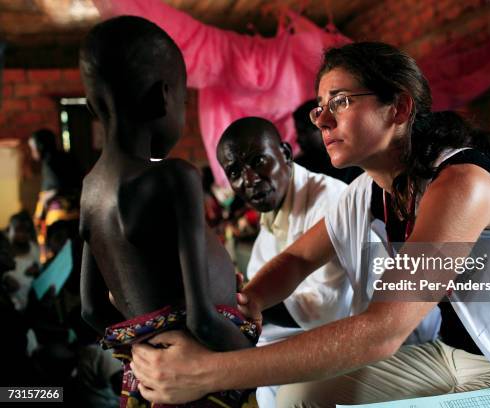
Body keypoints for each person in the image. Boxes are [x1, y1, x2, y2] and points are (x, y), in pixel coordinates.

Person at [130, 42, 490, 407]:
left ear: (399, 108)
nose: (321, 118)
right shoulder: (371, 190)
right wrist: (251, 298)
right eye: (320, 106)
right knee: (296, 397)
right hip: (451, 357)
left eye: (339, 100)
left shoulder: (462, 185)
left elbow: (383, 329)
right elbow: (298, 257)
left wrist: (212, 372)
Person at [78, 16, 258, 408]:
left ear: (93, 106)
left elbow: (92, 308)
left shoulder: (90, 189)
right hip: (205, 380)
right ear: (164, 97)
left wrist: (145, 349)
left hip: (152, 386)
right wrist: (252, 356)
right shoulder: (175, 177)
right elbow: (202, 319)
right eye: (183, 99)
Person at [217, 117, 356, 406]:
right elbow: (262, 284)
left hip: (371, 337)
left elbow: (327, 307)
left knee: (268, 380)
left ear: (285, 154)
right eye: (235, 171)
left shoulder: (330, 200)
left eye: (258, 161)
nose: (250, 179)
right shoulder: (273, 215)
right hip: (322, 332)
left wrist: (241, 303)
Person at [29, 129, 82, 263]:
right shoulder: (69, 157)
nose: (32, 152)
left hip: (59, 222)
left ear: (40, 147)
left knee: (62, 257)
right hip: (77, 216)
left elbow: (57, 188)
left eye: (32, 148)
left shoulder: (49, 163)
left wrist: (46, 198)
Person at [293, 100, 362, 184]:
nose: (299, 139)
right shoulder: (298, 168)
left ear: (322, 127)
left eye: (303, 132)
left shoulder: (355, 162)